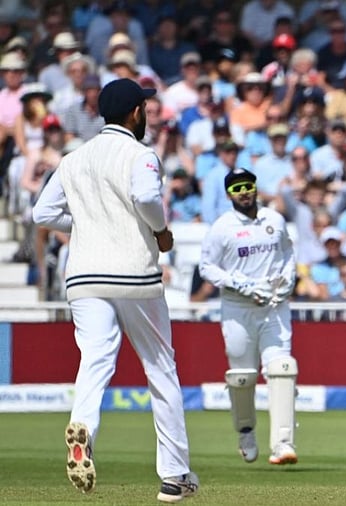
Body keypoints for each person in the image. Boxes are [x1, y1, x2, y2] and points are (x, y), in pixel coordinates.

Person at [31, 78, 198, 502]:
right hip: (134, 276)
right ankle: (174, 475)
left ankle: (83, 425)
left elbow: (42, 212)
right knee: (160, 367)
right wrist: (159, 232)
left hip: (83, 276)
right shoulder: (140, 155)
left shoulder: (74, 158)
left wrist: (87, 226)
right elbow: (145, 198)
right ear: (136, 113)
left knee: (95, 359)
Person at [198, 168, 300, 467]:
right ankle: (246, 432)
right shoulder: (222, 227)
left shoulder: (274, 220)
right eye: (237, 188)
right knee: (242, 377)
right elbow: (207, 267)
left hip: (274, 306)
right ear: (230, 194)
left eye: (248, 186)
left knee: (282, 367)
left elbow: (288, 254)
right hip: (238, 309)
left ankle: (283, 444)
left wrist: (288, 281)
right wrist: (240, 283)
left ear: (256, 188)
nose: (244, 192)